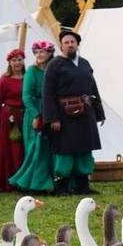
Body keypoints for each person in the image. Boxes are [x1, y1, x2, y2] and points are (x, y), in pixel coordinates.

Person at [42, 29, 105, 196]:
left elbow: (93, 88)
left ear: (77, 44)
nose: (70, 45)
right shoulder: (54, 65)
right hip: (64, 114)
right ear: (61, 46)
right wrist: (52, 118)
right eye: (66, 43)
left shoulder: (85, 64)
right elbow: (47, 93)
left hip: (85, 113)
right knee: (65, 151)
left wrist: (98, 110)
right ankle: (61, 187)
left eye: (72, 42)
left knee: (85, 149)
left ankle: (83, 186)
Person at [10, 40, 56, 193]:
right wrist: (37, 114)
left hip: (51, 111)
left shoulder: (53, 69)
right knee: (35, 149)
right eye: (37, 52)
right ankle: (32, 183)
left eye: (43, 52)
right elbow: (27, 96)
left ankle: (48, 181)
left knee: (49, 149)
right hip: (35, 114)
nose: (39, 55)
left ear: (50, 53)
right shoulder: (31, 71)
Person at [0, 49, 27, 192]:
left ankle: (23, 180)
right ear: (9, 63)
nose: (17, 63)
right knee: (9, 149)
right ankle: (6, 181)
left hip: (25, 117)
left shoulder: (28, 77)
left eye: (20, 59)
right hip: (8, 119)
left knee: (23, 148)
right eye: (14, 60)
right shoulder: (4, 80)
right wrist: (5, 115)